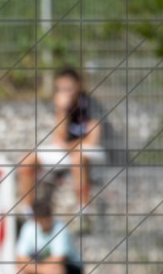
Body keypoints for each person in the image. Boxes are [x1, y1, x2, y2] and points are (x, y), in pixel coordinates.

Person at [17, 67, 106, 212]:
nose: (65, 93)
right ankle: (27, 209)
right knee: (27, 160)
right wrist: (62, 111)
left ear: (78, 85)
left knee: (78, 158)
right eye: (61, 89)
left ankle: (84, 207)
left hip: (87, 151)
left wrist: (70, 147)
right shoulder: (61, 106)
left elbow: (92, 140)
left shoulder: (90, 103)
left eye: (68, 89)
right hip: (66, 150)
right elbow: (59, 138)